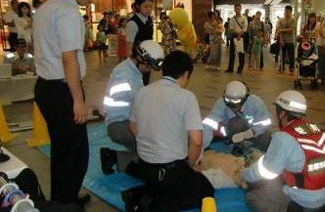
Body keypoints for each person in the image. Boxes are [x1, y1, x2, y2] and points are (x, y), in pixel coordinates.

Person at [32, 0, 100, 206]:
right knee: (75, 153)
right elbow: (69, 58)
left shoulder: (46, 7)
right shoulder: (68, 11)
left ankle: (62, 199)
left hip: (45, 87)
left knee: (61, 150)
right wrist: (78, 101)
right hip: (62, 90)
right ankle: (66, 204)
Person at [122, 51, 214, 212]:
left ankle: (136, 195)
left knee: (167, 185)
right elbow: (196, 141)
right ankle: (153, 206)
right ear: (186, 74)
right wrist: (190, 165)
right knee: (205, 189)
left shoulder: (143, 91)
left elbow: (132, 125)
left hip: (145, 166)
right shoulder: (186, 96)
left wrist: (148, 143)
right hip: (169, 170)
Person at [243, 90, 325, 212]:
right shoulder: (315, 129)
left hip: (305, 202)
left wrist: (244, 174)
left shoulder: (283, 138)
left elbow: (265, 172)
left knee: (253, 198)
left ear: (282, 114)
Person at [100, 40, 164, 175]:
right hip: (119, 125)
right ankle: (114, 158)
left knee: (153, 150)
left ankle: (114, 157)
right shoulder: (124, 74)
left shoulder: (132, 71)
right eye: (148, 66)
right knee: (155, 152)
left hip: (126, 122)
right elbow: (137, 103)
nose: (149, 70)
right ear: (140, 58)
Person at [202, 81, 272, 155]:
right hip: (233, 132)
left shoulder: (256, 103)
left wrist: (252, 132)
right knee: (236, 123)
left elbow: (265, 123)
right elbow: (209, 124)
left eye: (236, 101)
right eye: (228, 100)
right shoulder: (221, 104)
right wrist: (201, 145)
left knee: (271, 141)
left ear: (245, 98)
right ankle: (237, 147)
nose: (232, 105)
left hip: (254, 131)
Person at [126, 0, 154, 85]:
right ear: (138, 6)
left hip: (146, 60)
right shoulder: (133, 24)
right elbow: (128, 49)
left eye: (150, 6)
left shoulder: (149, 20)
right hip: (136, 63)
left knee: (145, 85)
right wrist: (132, 67)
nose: (149, 9)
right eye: (145, 7)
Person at [225, 4, 248, 74]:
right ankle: (230, 68)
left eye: (239, 9)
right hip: (234, 36)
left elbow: (245, 28)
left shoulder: (244, 18)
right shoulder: (232, 19)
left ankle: (240, 69)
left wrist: (240, 35)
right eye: (236, 9)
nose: (237, 10)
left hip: (242, 36)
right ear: (234, 10)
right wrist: (237, 34)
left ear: (241, 9)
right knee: (232, 53)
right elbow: (231, 28)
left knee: (241, 53)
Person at [276, 6, 296, 75]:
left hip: (290, 40)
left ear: (291, 12)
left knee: (291, 56)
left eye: (288, 11)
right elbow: (279, 30)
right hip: (282, 40)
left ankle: (291, 69)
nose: (286, 12)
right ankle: (281, 68)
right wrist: (281, 38)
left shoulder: (293, 20)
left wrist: (282, 30)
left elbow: (291, 30)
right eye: (285, 11)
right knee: (281, 55)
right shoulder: (280, 20)